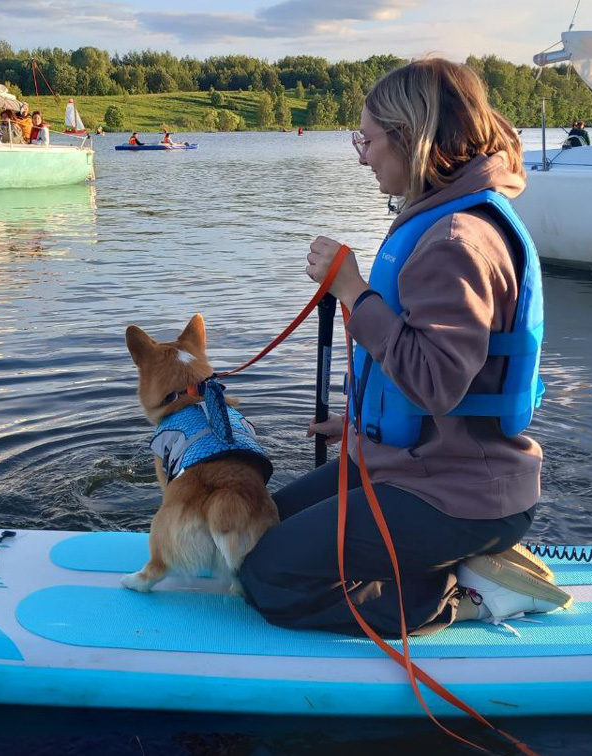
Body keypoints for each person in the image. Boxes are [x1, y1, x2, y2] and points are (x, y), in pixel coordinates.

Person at [238, 58, 563, 638]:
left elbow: (435, 381)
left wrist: (352, 292)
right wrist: (362, 424)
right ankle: (445, 564)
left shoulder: (456, 241)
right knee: (256, 530)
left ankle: (464, 595)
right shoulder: (448, 222)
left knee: (271, 577)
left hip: (456, 495)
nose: (363, 156)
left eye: (367, 139)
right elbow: (437, 375)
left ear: (411, 139)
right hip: (415, 467)